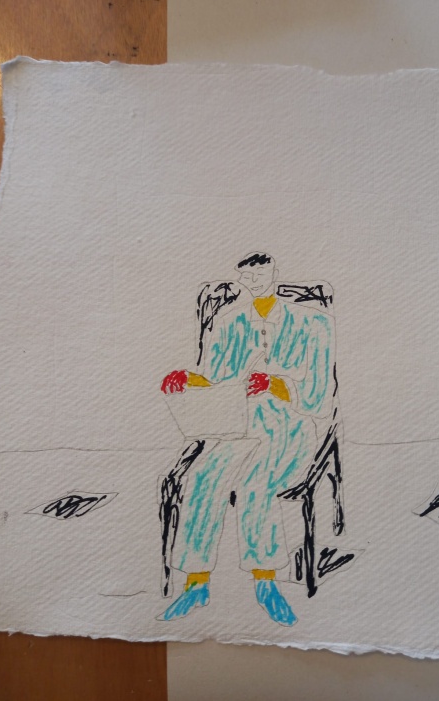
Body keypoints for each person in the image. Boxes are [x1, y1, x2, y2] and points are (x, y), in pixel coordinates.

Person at [159, 252, 334, 626]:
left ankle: (266, 583)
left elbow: (320, 395)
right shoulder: (228, 322)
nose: (253, 280)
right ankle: (196, 583)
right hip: (237, 425)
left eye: (260, 272)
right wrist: (188, 379)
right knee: (201, 479)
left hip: (289, 427)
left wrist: (275, 385)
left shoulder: (313, 323)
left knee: (257, 484)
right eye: (246, 275)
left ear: (274, 271)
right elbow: (216, 380)